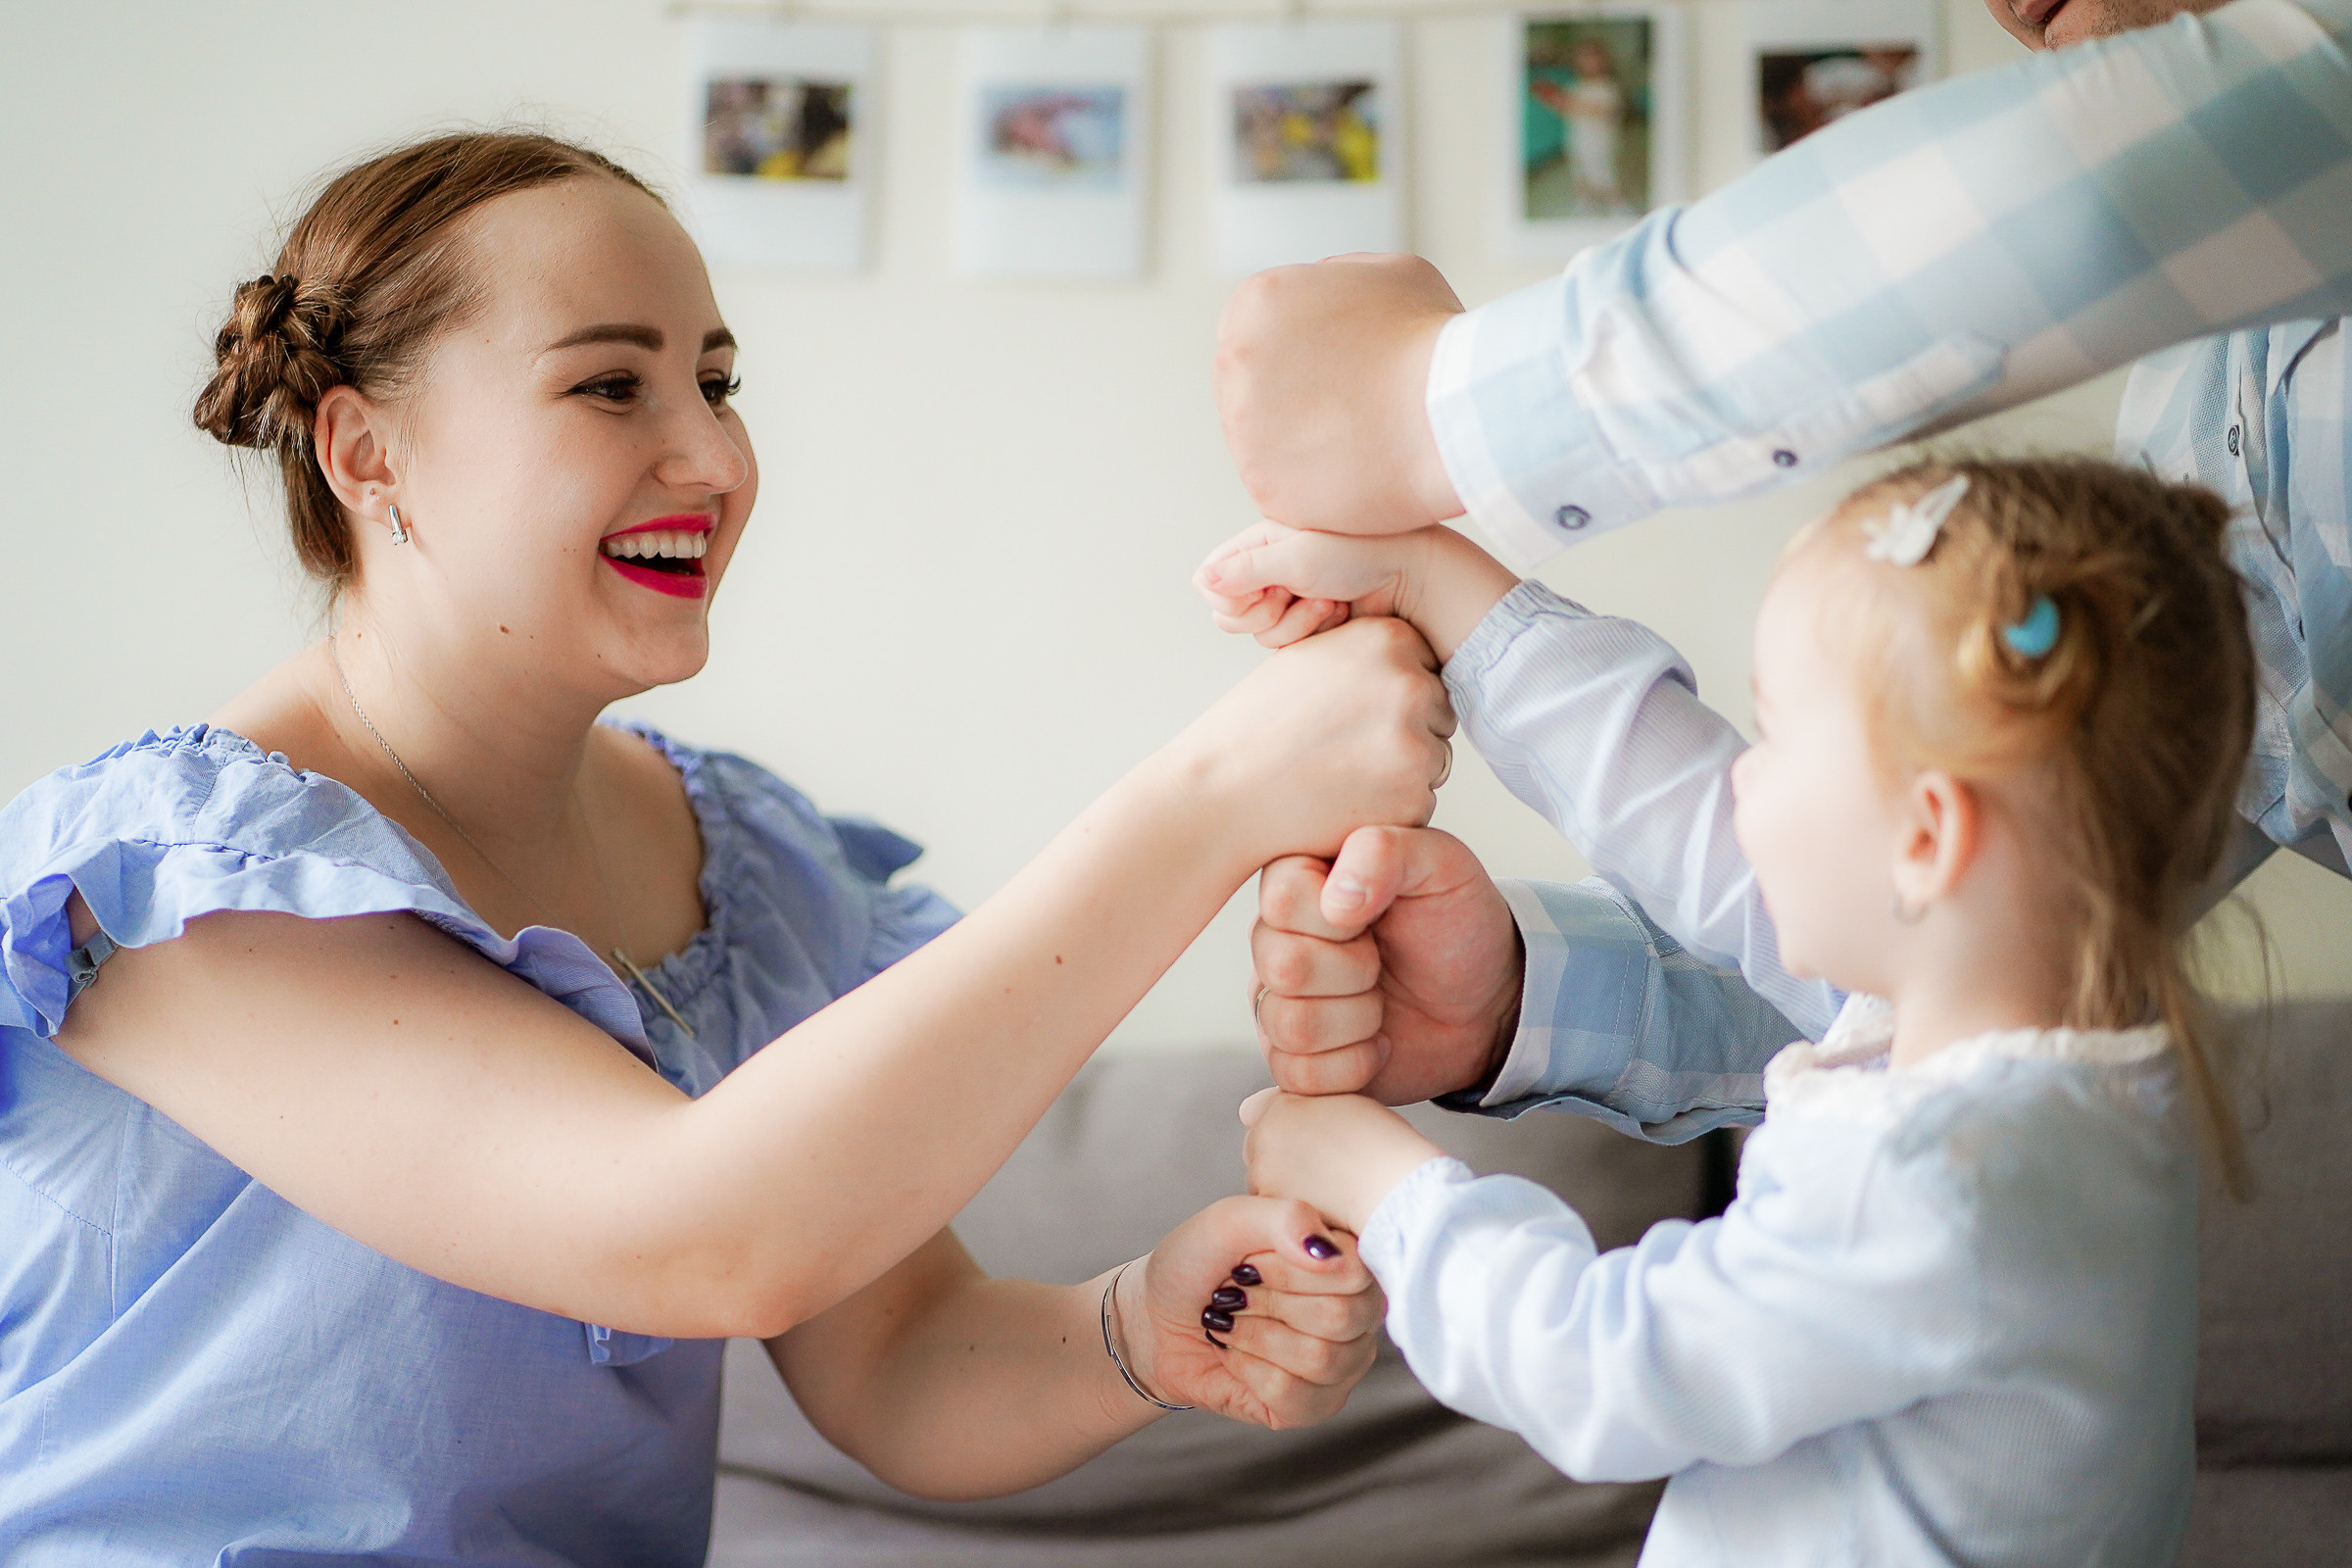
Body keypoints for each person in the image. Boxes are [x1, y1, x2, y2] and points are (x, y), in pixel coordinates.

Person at [0, 131, 1455, 1565]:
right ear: (366, 451)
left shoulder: (739, 861)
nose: (712, 456)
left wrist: (1146, 1324)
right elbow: (696, 1235)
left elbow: (898, 1358)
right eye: (609, 385)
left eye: (717, 383)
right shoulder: (170, 886)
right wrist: (1212, 798)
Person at [1210, 0, 2352, 1142]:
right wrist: (1511, 992)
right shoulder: (2194, 432)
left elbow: (2098, 177)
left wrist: (1436, 403)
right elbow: (1957, 934)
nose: (2010, 7)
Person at [1225, 458, 2255, 1565]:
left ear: (1924, 839)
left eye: (1778, 740)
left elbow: (1605, 1368)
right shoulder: (2066, 1063)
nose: (1743, 783)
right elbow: (1679, 816)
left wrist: (1388, 1190)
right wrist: (1438, 583)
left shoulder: (1931, 1176)